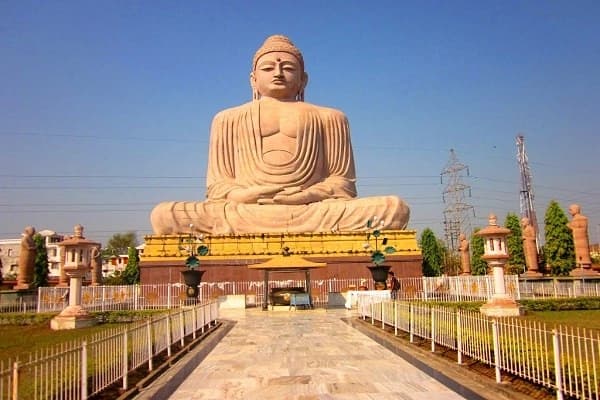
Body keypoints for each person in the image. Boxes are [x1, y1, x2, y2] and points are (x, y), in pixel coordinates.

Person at [151, 35, 410, 235]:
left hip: (314, 209)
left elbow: (342, 183)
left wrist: (307, 195)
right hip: (246, 210)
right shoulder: (227, 119)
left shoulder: (331, 117)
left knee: (393, 209)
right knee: (165, 215)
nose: (277, 73)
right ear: (253, 80)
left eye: (287, 67)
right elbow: (218, 185)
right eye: (267, 68)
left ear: (303, 79)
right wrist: (242, 195)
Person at [567, 204, 592, 268]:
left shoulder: (581, 218)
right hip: (578, 241)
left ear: (576, 210)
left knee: (583, 255)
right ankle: (580, 264)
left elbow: (579, 228)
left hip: (582, 242)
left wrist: (569, 226)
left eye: (571, 210)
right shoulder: (576, 219)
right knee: (579, 254)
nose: (569, 212)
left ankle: (584, 264)